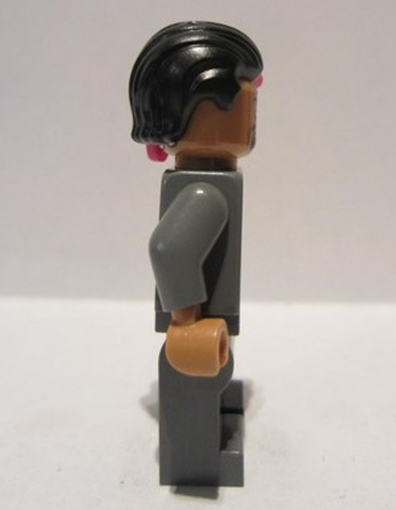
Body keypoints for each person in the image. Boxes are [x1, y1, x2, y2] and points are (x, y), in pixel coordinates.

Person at [129, 20, 263, 487]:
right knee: (191, 397)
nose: (254, 115)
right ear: (203, 108)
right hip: (196, 326)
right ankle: (197, 466)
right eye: (248, 100)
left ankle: (209, 436)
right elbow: (168, 249)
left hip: (205, 317)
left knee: (211, 383)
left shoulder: (212, 183)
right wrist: (187, 322)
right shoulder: (206, 192)